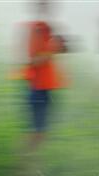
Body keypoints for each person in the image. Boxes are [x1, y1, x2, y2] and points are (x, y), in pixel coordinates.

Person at [23, 0, 66, 153]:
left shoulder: (47, 30)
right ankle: (24, 169)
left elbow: (58, 51)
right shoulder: (37, 29)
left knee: (42, 132)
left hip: (46, 87)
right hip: (37, 87)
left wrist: (58, 47)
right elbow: (33, 60)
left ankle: (32, 167)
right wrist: (52, 48)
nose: (48, 8)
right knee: (37, 133)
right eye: (45, 4)